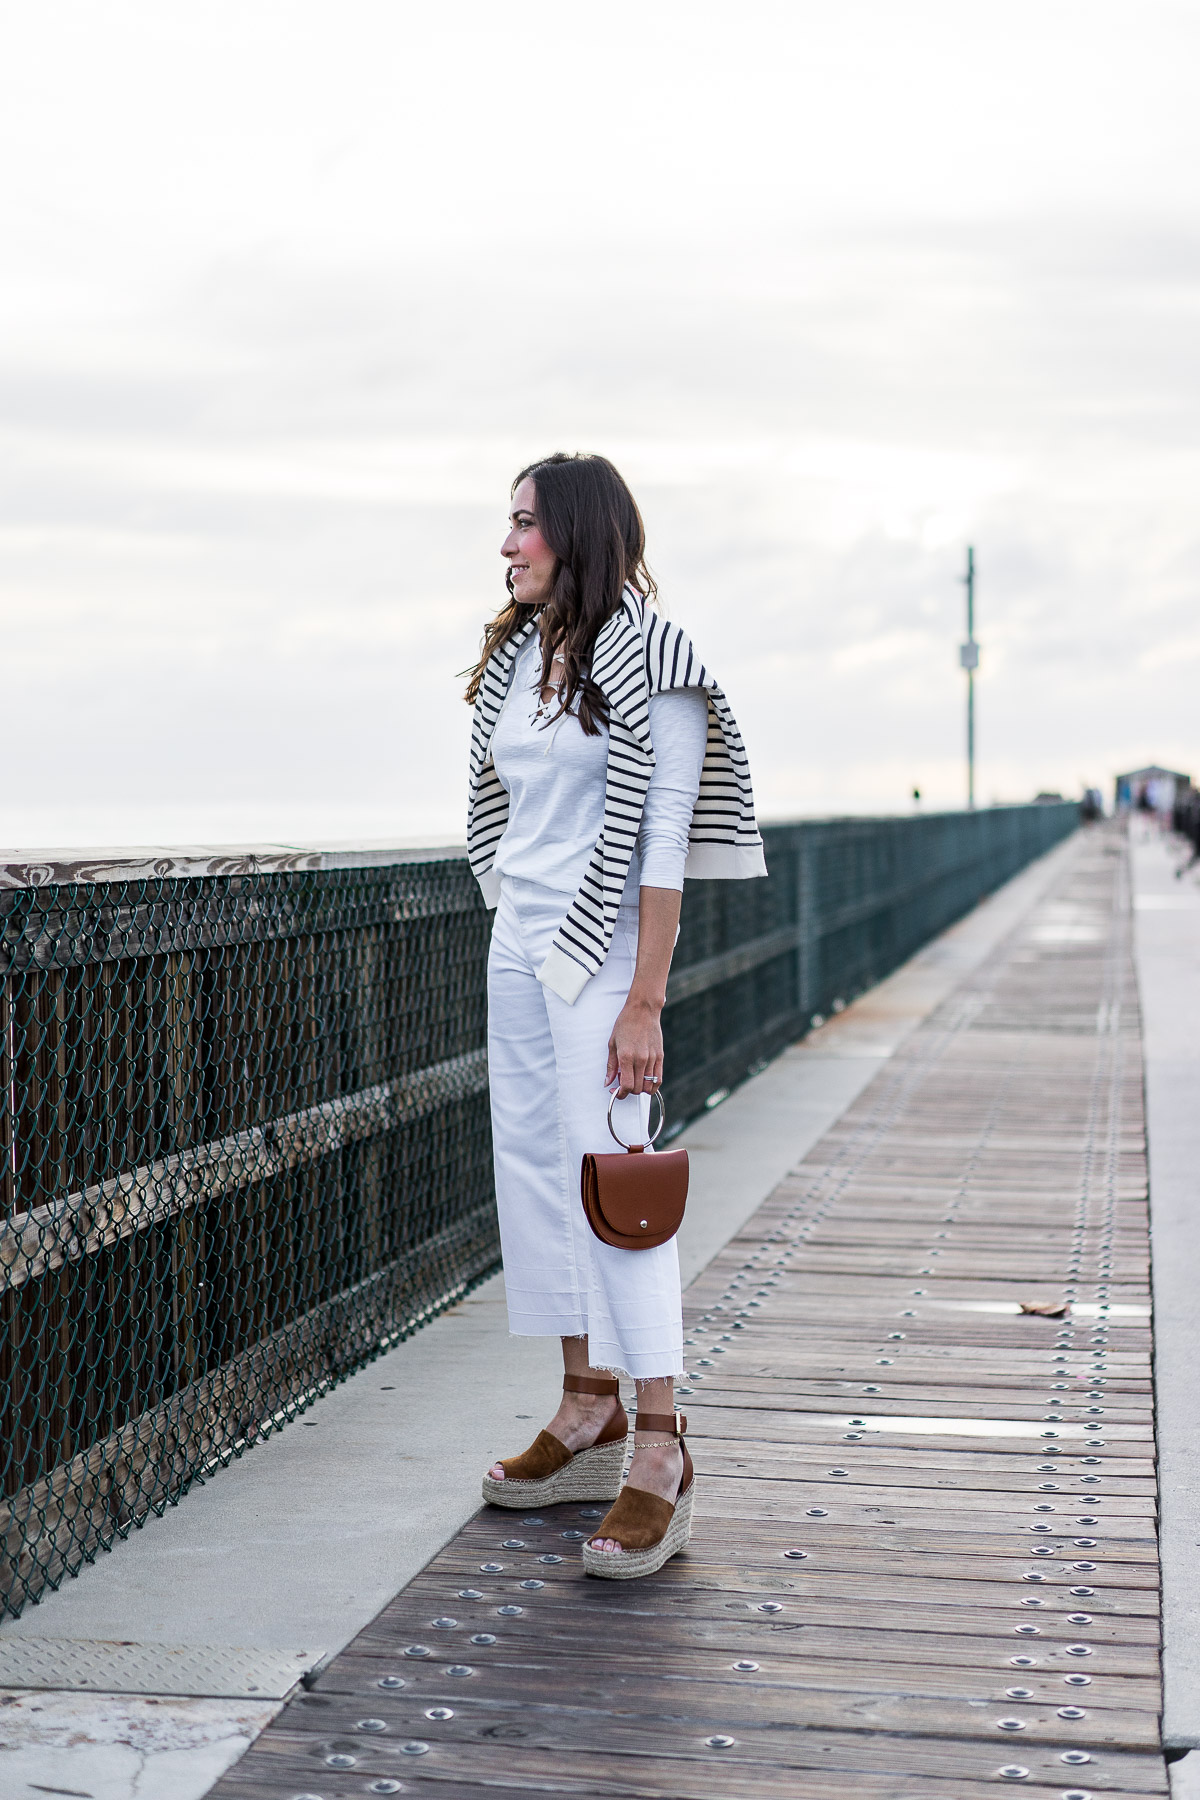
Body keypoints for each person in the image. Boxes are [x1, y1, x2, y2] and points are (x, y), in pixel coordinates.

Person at [464, 453, 765, 1579]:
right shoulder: (524, 658)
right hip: (520, 942)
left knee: (616, 1187)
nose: (508, 545)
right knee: (537, 1171)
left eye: (526, 524)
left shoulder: (659, 659)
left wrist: (645, 1000)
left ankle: (661, 1442)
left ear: (578, 532)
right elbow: (504, 807)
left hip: (601, 952)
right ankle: (585, 1402)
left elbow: (663, 842)